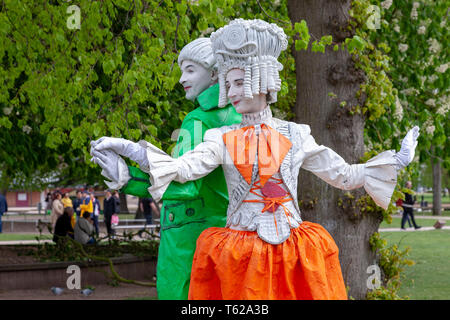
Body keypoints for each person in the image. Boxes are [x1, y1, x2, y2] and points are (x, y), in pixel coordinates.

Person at [91, 19, 420, 300]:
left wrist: (399, 159)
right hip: (239, 256)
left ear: (261, 80)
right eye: (228, 83)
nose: (230, 91)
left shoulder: (295, 134)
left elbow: (344, 176)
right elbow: (182, 170)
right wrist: (131, 149)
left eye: (237, 82)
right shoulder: (219, 138)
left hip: (293, 255)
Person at [91, 37, 242, 300]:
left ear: (215, 73)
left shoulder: (198, 119)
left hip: (189, 238)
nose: (182, 78)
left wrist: (127, 177)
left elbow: (184, 186)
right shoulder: (239, 116)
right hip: (224, 234)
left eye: (191, 70)